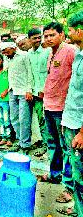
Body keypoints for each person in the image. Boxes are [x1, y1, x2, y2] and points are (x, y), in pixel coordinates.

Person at [39, 22, 76, 205]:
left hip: (64, 108)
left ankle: (69, 187)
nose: (48, 39)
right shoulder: (50, 53)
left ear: (61, 34)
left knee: (68, 148)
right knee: (52, 143)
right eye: (46, 36)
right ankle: (55, 174)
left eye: (52, 35)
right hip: (49, 105)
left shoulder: (70, 51)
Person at [60, 10, 83, 217]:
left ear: (80, 31)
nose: (69, 34)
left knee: (81, 175)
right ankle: (77, 208)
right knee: (77, 173)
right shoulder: (79, 55)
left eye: (71, 30)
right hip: (72, 122)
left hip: (80, 127)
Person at [1, 39, 33, 154]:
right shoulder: (7, 58)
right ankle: (20, 141)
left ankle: (25, 145)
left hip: (24, 91)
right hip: (12, 90)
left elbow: (30, 72)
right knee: (14, 118)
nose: (4, 53)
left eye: (6, 50)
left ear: (13, 47)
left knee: (24, 119)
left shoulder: (24, 55)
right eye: (3, 51)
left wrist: (29, 90)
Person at [27, 28, 52, 157]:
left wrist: (44, 89)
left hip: (46, 93)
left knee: (47, 120)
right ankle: (43, 143)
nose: (37, 40)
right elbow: (29, 74)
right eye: (34, 38)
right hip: (34, 93)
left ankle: (49, 145)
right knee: (39, 120)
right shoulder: (28, 54)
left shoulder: (48, 52)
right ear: (29, 40)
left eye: (39, 37)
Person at [0, 53, 12, 147]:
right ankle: (3, 137)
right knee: (0, 119)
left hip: (6, 99)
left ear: (3, 61)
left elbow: (10, 83)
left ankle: (9, 138)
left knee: (7, 119)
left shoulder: (6, 71)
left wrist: (6, 91)